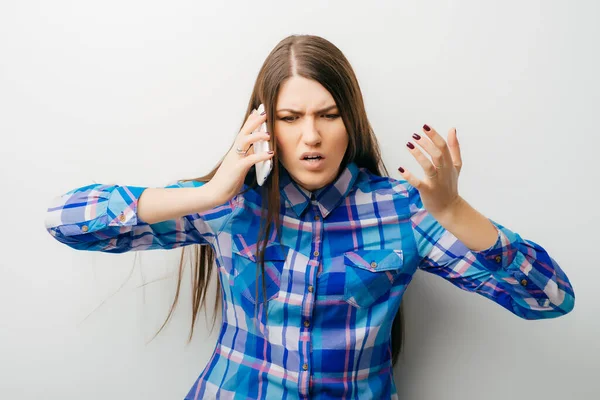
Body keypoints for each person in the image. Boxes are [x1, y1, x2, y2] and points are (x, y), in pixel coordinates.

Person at [44, 34, 575, 400]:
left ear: (352, 118)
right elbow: (66, 220)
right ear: (265, 124)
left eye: (328, 114)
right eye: (290, 118)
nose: (311, 137)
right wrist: (207, 192)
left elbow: (550, 299)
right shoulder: (228, 203)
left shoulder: (406, 211)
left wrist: (454, 209)